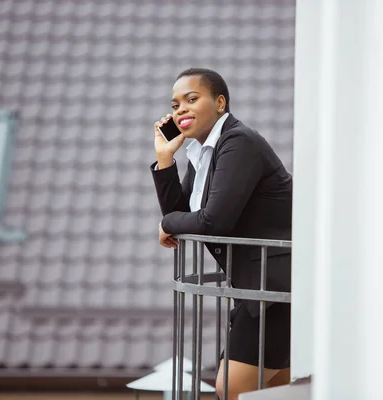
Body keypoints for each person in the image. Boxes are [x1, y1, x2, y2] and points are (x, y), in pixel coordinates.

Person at [150, 68, 292, 399]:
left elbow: (214, 221)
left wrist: (168, 224)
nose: (180, 109)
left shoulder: (238, 143)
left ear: (220, 102)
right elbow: (182, 212)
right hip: (259, 290)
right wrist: (165, 159)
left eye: (191, 99)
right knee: (279, 389)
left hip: (275, 290)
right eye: (175, 104)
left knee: (233, 388)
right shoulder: (203, 154)